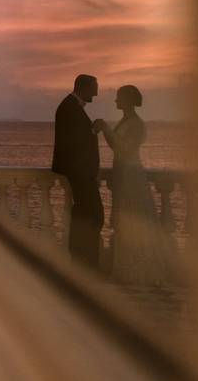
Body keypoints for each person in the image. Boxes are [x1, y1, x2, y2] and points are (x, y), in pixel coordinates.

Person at [96, 85, 170, 285]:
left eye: (118, 98)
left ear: (127, 100)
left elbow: (124, 149)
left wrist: (105, 128)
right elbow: (117, 146)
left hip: (131, 175)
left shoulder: (136, 124)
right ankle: (125, 268)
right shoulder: (126, 121)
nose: (115, 101)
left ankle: (139, 271)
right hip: (122, 174)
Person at [51, 74, 103, 269]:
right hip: (80, 173)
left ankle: (83, 261)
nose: (96, 93)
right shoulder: (69, 108)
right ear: (84, 87)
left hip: (81, 173)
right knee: (92, 216)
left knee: (87, 216)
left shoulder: (70, 106)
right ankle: (85, 262)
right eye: (94, 88)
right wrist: (93, 130)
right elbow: (74, 141)